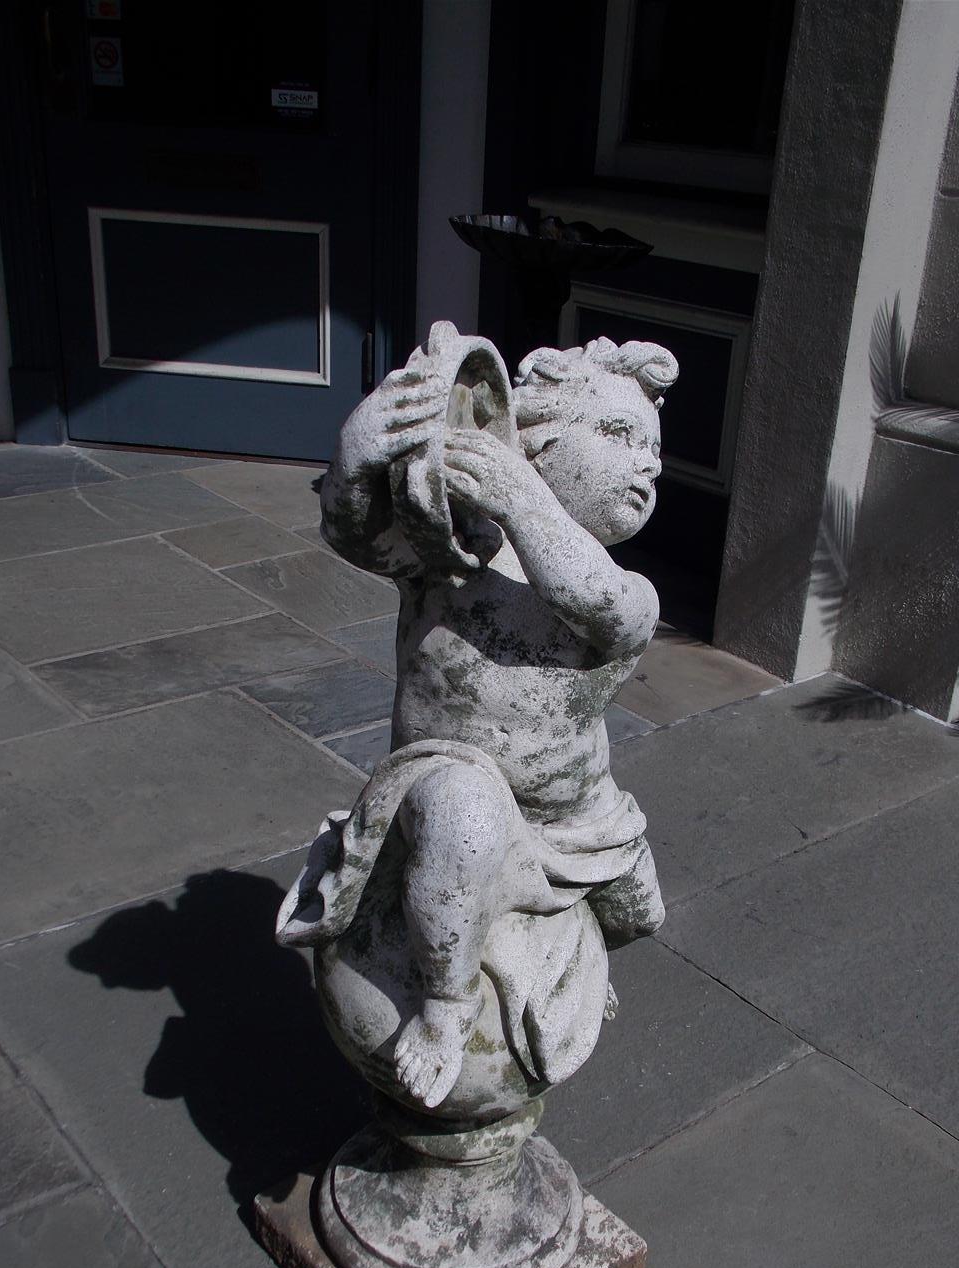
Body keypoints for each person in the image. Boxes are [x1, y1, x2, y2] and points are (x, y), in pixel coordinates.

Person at [288, 334, 678, 1109]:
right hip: (448, 777)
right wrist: (358, 450)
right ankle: (444, 1011)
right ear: (528, 441)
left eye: (655, 451)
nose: (647, 464)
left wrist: (522, 499)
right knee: (464, 825)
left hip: (573, 814)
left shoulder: (624, 588)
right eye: (619, 435)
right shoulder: (454, 554)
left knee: (644, 912)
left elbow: (599, 606)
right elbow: (351, 531)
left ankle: (568, 964)